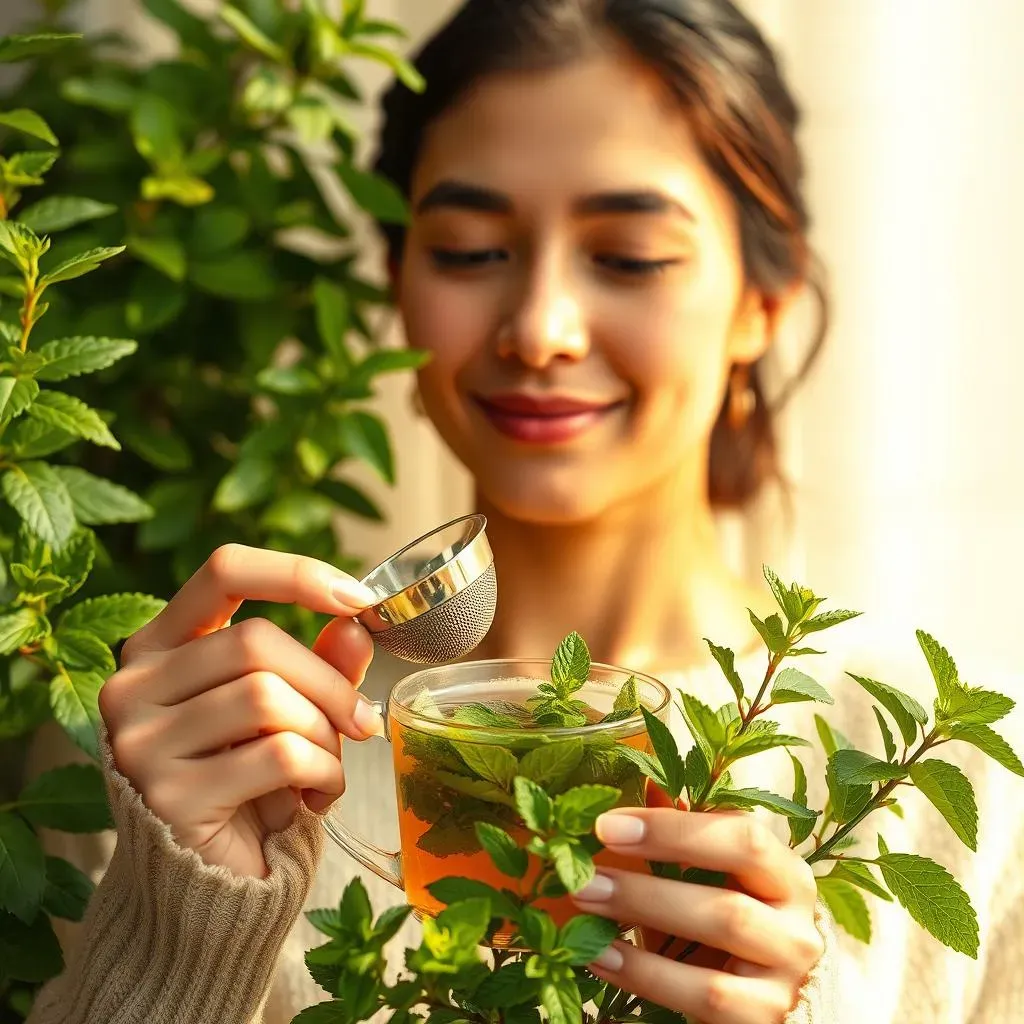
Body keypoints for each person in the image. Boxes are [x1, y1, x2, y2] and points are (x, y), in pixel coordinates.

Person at [27, 1, 1023, 1023]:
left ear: (759, 304)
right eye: (467, 250)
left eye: (629, 255)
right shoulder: (189, 747)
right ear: (397, 285)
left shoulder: (973, 794)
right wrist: (180, 931)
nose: (540, 327)